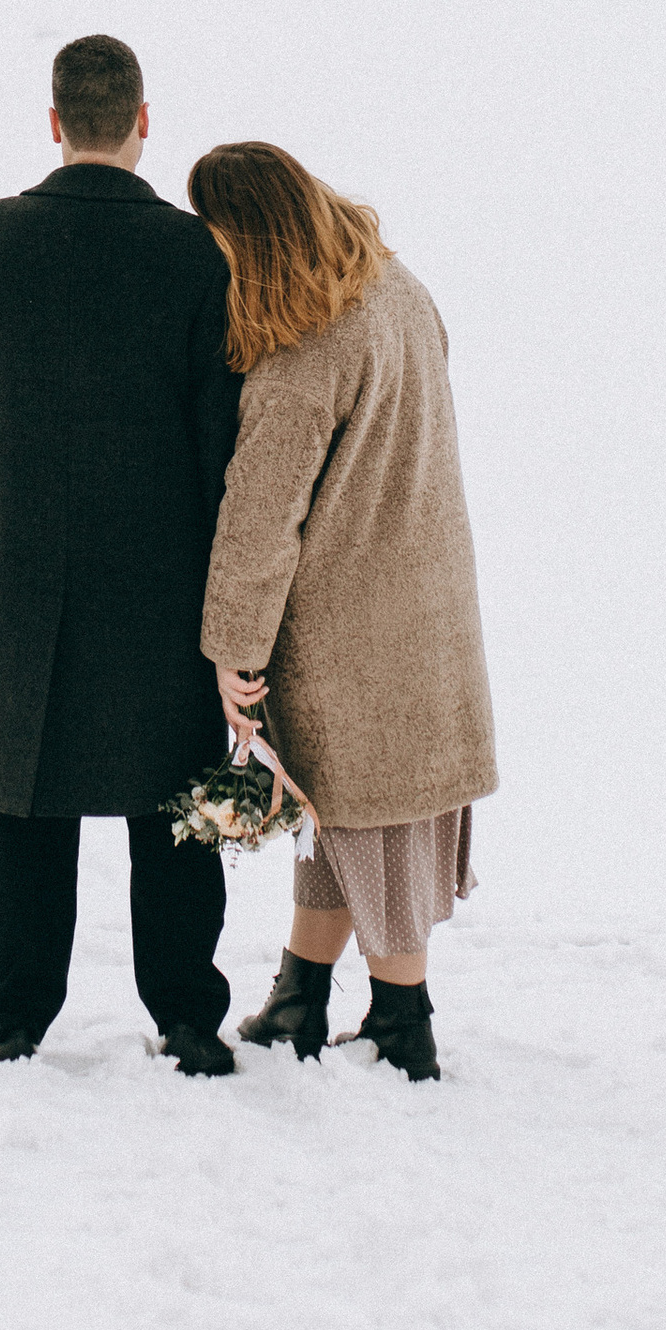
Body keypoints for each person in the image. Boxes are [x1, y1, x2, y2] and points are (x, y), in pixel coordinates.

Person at [0, 33, 244, 1072]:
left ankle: (15, 1018)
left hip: (26, 564)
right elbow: (220, 430)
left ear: (54, 123)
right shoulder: (202, 252)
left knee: (28, 796)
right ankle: (189, 1018)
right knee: (175, 805)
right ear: (143, 122)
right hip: (170, 570)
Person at [188, 142, 496, 1082]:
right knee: (345, 810)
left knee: (377, 823)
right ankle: (300, 993)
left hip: (350, 622)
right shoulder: (396, 289)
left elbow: (258, 515)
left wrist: (232, 650)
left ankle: (404, 1018)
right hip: (426, 603)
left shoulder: (302, 348)